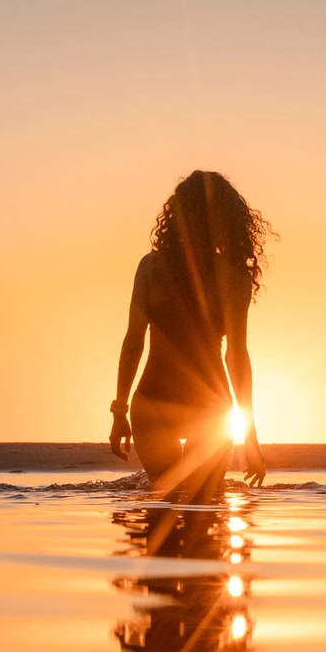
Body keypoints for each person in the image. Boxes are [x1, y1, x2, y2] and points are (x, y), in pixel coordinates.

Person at [109, 171, 271, 500]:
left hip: (160, 405)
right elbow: (236, 357)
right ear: (226, 220)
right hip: (205, 409)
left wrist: (120, 412)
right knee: (204, 515)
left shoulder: (152, 268)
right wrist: (250, 440)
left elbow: (133, 342)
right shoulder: (232, 277)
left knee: (165, 508)